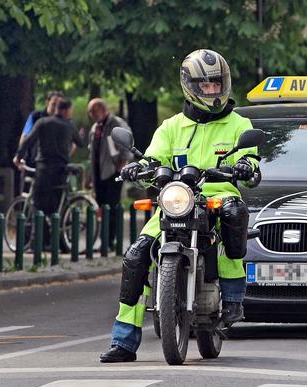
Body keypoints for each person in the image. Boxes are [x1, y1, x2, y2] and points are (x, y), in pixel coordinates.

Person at [100, 49, 259, 363]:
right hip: (175, 201)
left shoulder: (239, 124)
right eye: (206, 85)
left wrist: (246, 167)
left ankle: (232, 299)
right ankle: (123, 341)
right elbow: (153, 158)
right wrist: (138, 167)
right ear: (190, 86)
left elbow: (250, 161)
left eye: (217, 84)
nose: (213, 90)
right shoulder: (171, 126)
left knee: (233, 213)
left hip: (217, 196)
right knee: (135, 256)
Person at [14, 98, 85, 217]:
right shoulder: (70, 126)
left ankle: (38, 232)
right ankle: (59, 231)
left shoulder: (42, 122)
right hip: (61, 169)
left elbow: (28, 141)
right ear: (66, 111)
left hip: (44, 168)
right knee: (58, 202)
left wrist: (18, 157)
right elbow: (80, 144)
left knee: (38, 203)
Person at [86, 98, 133, 249]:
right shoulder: (95, 128)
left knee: (112, 207)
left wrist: (122, 163)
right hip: (99, 173)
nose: (91, 114)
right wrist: (90, 175)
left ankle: (111, 241)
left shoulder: (116, 124)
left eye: (93, 111)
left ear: (102, 109)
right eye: (90, 112)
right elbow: (92, 153)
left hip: (113, 172)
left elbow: (127, 144)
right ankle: (104, 240)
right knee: (101, 207)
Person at [18, 91, 64, 190]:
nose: (56, 108)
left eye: (59, 106)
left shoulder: (63, 122)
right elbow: (25, 136)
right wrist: (21, 158)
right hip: (32, 162)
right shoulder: (35, 117)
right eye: (53, 104)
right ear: (47, 103)